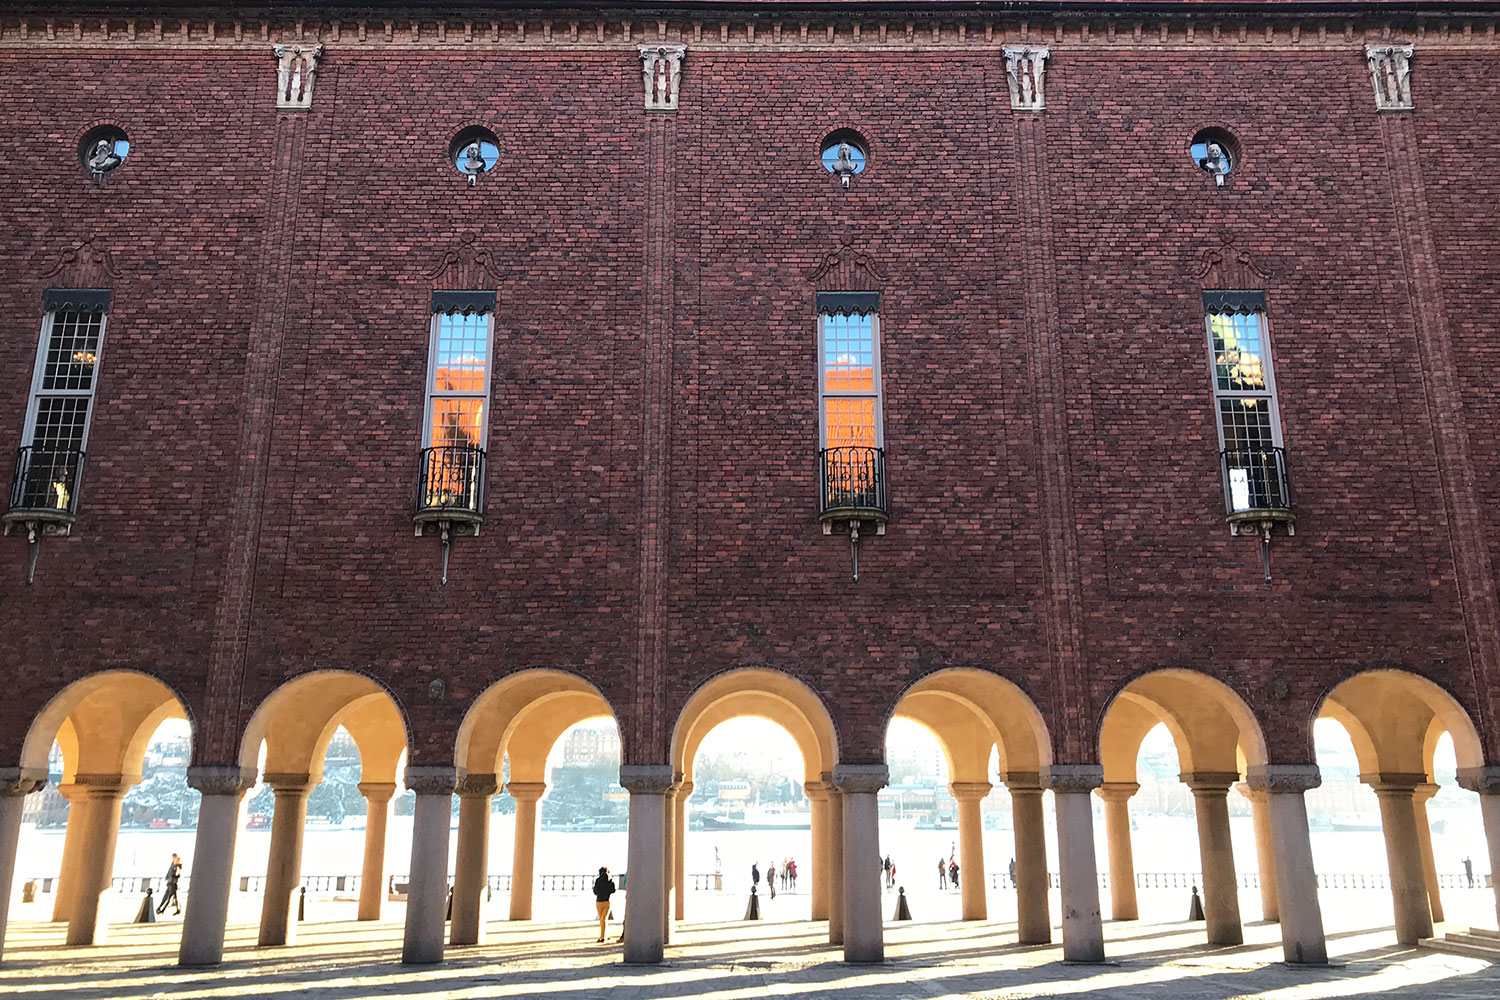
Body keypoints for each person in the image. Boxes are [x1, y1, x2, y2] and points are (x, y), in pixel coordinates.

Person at [592, 866, 616, 942]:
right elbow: (613, 890)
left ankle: (603, 936)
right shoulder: (609, 880)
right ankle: (604, 935)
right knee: (604, 919)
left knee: (602, 920)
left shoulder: (598, 880)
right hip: (606, 901)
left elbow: (595, 891)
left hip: (598, 902)